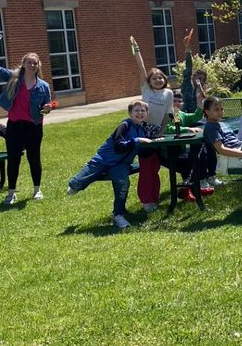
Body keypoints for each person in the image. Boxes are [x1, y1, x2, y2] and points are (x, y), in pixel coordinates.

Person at [66, 100, 154, 229]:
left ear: (147, 113)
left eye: (143, 111)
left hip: (122, 165)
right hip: (102, 160)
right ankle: (79, 183)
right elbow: (119, 146)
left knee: (123, 182)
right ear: (130, 113)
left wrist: (153, 146)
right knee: (75, 184)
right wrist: (137, 140)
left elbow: (143, 153)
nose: (140, 113)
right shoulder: (124, 125)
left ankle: (118, 215)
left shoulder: (144, 129)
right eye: (136, 110)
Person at [0, 40, 54, 205]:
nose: (32, 65)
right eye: (29, 62)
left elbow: (46, 107)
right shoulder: (13, 78)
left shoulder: (43, 86)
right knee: (13, 158)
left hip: (34, 126)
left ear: (38, 66)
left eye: (35, 63)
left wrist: (47, 108)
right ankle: (11, 193)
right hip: (15, 126)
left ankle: (37, 190)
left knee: (34, 157)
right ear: (23, 64)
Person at [128, 35, 174, 213]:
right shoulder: (146, 89)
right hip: (142, 130)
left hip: (157, 132)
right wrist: (136, 49)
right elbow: (141, 67)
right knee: (147, 166)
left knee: (155, 166)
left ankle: (154, 197)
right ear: (149, 81)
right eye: (154, 79)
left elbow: (169, 115)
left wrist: (161, 131)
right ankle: (146, 200)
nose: (158, 81)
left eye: (161, 78)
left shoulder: (168, 94)